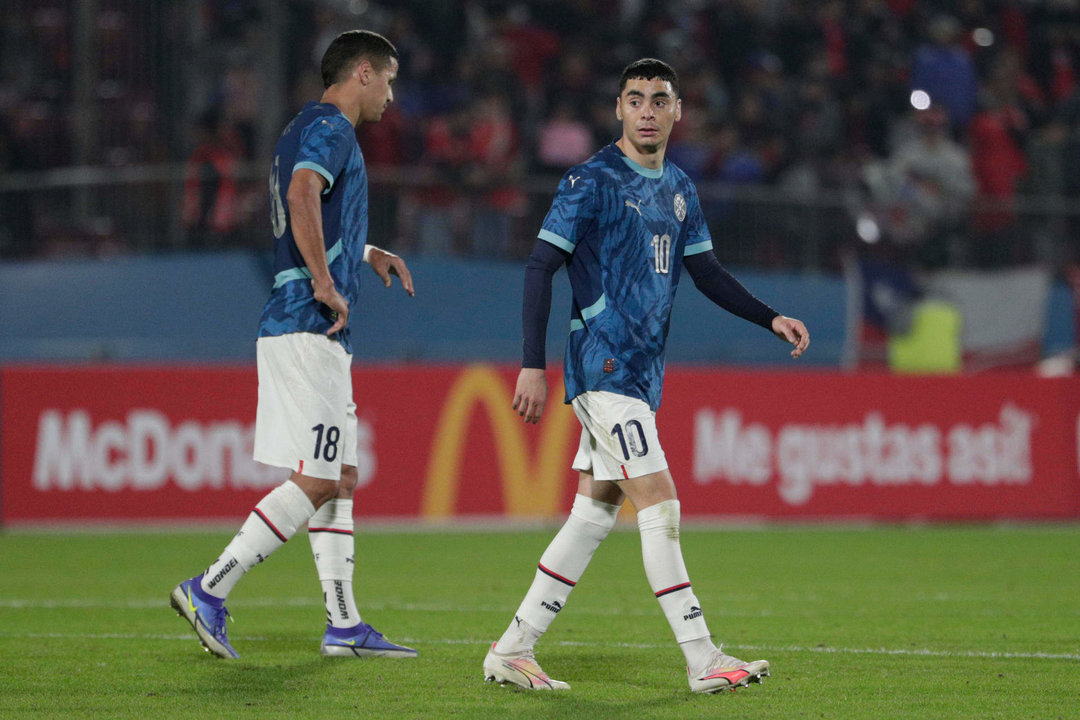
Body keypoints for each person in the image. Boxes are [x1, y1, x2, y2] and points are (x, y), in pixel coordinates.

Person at [482, 58, 809, 694]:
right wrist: (531, 363)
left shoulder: (680, 187)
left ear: (678, 111)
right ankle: (702, 657)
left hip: (639, 373)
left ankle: (512, 647)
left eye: (660, 100)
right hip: (601, 363)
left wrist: (770, 319)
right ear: (619, 110)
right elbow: (539, 266)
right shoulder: (590, 180)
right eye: (636, 100)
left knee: (593, 514)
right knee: (660, 503)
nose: (648, 112)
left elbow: (707, 274)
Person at [171, 30, 416, 660]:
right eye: (388, 79)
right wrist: (327, 281)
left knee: (341, 474)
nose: (391, 94)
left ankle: (343, 625)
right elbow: (302, 195)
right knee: (315, 479)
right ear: (363, 73)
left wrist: (364, 253)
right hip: (307, 324)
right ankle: (210, 589)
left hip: (308, 325)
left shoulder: (301, 128)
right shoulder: (331, 127)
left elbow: (311, 213)